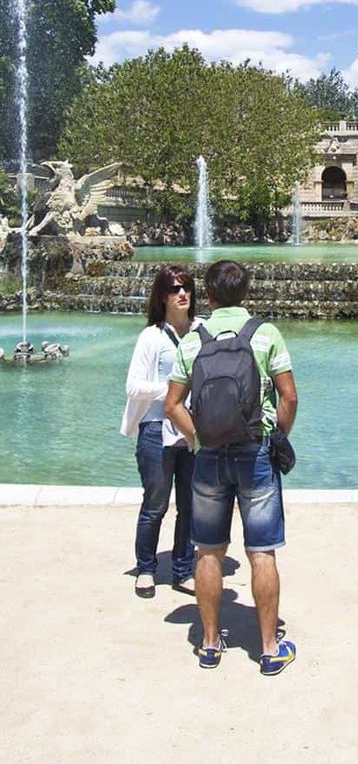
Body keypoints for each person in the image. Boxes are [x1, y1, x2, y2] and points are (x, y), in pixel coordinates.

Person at [164, 259, 299, 675]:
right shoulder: (265, 334)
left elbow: (172, 404)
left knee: (208, 551)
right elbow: (289, 397)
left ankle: (209, 644)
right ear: (245, 293)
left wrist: (199, 439)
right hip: (255, 452)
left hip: (209, 456)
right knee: (261, 552)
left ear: (208, 296)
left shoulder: (193, 340)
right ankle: (269, 648)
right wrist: (278, 437)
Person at [119, 264, 199, 597]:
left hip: (192, 430)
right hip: (156, 428)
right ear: (162, 297)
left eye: (186, 287)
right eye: (174, 289)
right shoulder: (151, 336)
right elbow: (133, 387)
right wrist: (171, 391)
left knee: (191, 505)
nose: (182, 294)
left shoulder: (202, 331)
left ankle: (183, 570)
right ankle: (146, 568)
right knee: (156, 504)